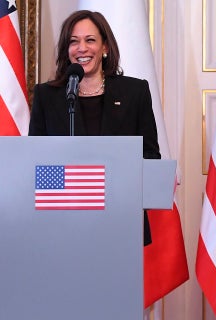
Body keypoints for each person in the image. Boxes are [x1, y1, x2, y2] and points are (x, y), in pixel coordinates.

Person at [28, 10, 160, 246]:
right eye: (73, 41)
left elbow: (150, 156)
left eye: (90, 40)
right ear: (66, 50)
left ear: (105, 47)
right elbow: (37, 162)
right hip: (61, 226)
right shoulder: (47, 96)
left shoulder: (135, 92)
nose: (82, 48)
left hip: (120, 220)